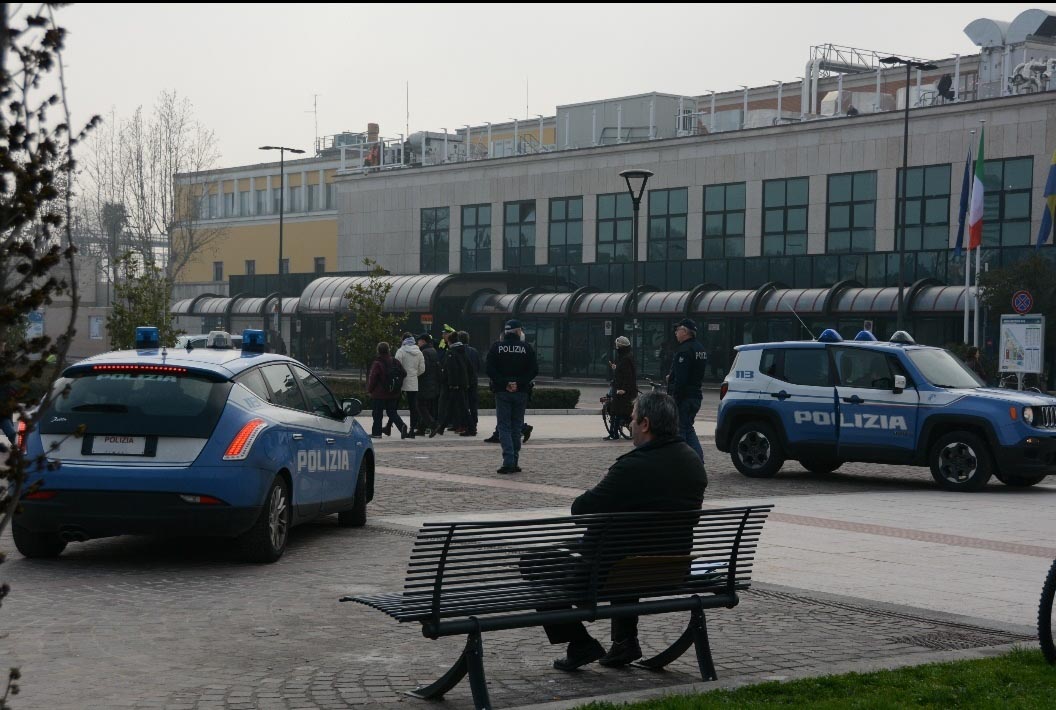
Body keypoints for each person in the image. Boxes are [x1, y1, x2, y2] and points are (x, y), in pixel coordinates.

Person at [530, 391, 708, 670]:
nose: (631, 423)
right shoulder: (692, 461)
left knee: (532, 562)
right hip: (668, 567)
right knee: (623, 555)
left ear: (646, 424)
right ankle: (624, 642)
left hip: (610, 573)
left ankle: (580, 643)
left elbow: (581, 510)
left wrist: (605, 480)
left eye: (633, 418)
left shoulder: (633, 466)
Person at [486, 319, 538, 474]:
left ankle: (508, 461)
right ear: (517, 331)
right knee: (516, 426)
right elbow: (533, 370)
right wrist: (519, 383)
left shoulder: (497, 347)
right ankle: (514, 460)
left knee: (504, 426)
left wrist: (505, 383)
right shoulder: (526, 348)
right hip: (521, 392)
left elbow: (489, 369)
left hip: (502, 392)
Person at [666, 318, 708, 461]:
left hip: (684, 398)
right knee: (688, 429)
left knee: (680, 432)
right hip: (696, 395)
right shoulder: (700, 349)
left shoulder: (683, 350)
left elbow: (681, 381)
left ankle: (682, 464)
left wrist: (674, 399)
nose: (676, 333)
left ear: (685, 331)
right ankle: (698, 461)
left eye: (677, 330)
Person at [430, 331, 471, 437]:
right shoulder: (462, 350)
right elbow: (466, 367)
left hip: (454, 384)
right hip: (462, 382)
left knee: (460, 407)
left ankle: (471, 428)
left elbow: (452, 369)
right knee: (453, 406)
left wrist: (453, 384)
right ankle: (441, 427)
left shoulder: (451, 352)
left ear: (449, 341)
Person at [367, 342, 409, 439]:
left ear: (378, 351)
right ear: (388, 350)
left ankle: (376, 433)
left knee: (377, 414)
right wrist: (397, 384)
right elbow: (404, 373)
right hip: (393, 393)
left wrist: (370, 390)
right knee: (392, 412)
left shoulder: (377, 363)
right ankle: (402, 425)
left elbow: (373, 378)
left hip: (379, 394)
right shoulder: (395, 361)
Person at [393, 332, 426, 439]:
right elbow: (422, 369)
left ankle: (399, 426)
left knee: (394, 406)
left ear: (403, 340)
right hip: (413, 382)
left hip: (401, 382)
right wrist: (413, 375)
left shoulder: (401, 351)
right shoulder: (419, 352)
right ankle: (412, 429)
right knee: (413, 407)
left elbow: (396, 366)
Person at [605, 336, 638, 440]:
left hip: (623, 391)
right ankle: (613, 433)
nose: (616, 347)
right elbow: (622, 371)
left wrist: (623, 389)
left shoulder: (626, 358)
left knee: (618, 411)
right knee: (616, 411)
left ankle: (614, 433)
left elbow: (628, 375)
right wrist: (616, 367)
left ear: (621, 346)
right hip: (620, 388)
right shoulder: (624, 357)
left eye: (617, 345)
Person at [415, 333, 441, 435]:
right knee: (427, 406)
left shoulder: (424, 352)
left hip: (424, 383)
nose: (418, 343)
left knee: (420, 405)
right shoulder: (433, 350)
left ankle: (433, 425)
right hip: (433, 383)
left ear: (423, 341)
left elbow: (424, 369)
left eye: (419, 341)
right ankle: (421, 429)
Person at [458, 330, 481, 436]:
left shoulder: (459, 351)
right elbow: (479, 366)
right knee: (473, 404)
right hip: (474, 381)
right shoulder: (474, 351)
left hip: (463, 381)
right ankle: (474, 423)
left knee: (463, 404)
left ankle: (466, 425)